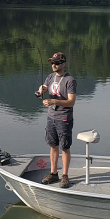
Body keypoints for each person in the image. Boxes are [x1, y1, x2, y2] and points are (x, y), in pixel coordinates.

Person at [36, 52, 76, 188]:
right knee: (53, 146)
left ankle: (65, 176)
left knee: (65, 147)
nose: (54, 65)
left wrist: (54, 101)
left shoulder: (69, 80)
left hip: (64, 118)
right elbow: (45, 88)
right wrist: (41, 91)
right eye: (52, 63)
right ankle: (53, 174)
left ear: (63, 64)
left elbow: (71, 102)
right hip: (51, 117)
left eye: (57, 63)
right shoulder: (50, 77)